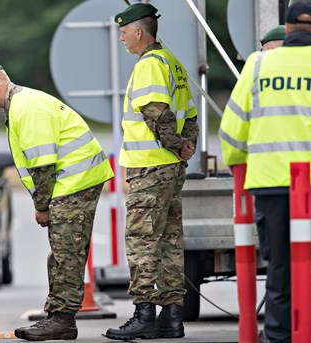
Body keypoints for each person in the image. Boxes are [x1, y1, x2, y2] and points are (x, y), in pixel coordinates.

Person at [0, 60, 114, 341]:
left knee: (66, 254)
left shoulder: (26, 108)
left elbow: (42, 166)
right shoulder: (22, 104)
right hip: (70, 182)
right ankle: (58, 317)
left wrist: (41, 207)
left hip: (73, 182)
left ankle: (62, 321)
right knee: (60, 253)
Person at [219, 1, 311, 342]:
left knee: (279, 265)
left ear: (288, 28)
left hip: (268, 184)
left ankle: (279, 335)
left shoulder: (259, 63)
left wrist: (238, 162)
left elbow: (232, 130)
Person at [104, 3, 199, 340]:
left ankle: (144, 314)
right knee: (171, 241)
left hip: (151, 167)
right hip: (171, 168)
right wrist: (186, 145)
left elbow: (156, 112)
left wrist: (174, 144)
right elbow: (190, 112)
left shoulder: (149, 65)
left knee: (143, 240)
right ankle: (172, 318)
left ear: (139, 32)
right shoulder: (172, 62)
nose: (121, 38)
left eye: (124, 31)